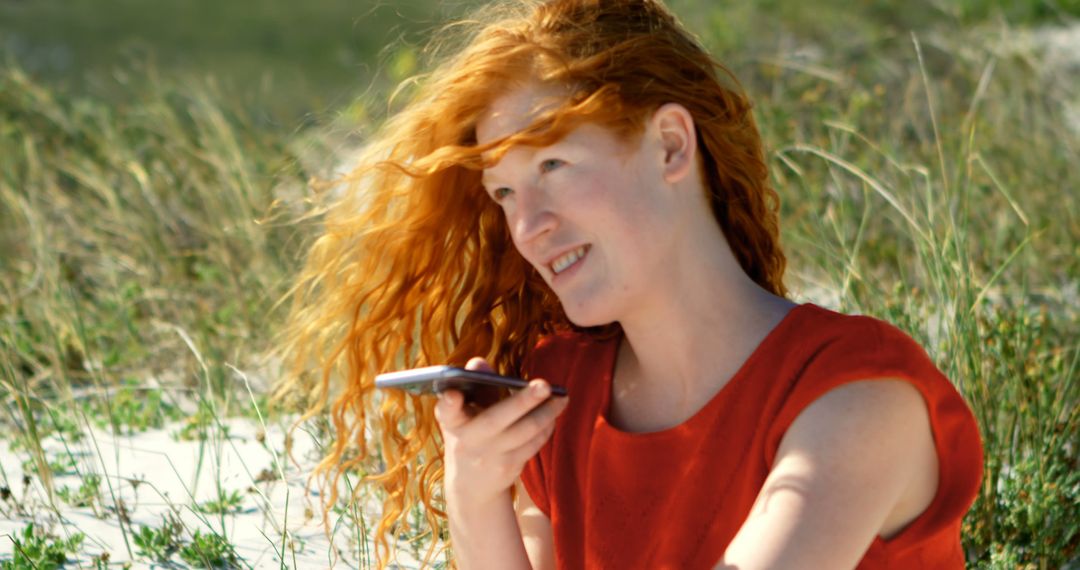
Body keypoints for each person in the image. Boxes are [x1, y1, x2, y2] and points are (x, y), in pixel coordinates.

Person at [274, 0, 984, 568]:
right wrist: (475, 494)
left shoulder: (856, 397)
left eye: (552, 167)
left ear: (670, 145)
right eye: (505, 194)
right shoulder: (559, 393)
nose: (529, 227)